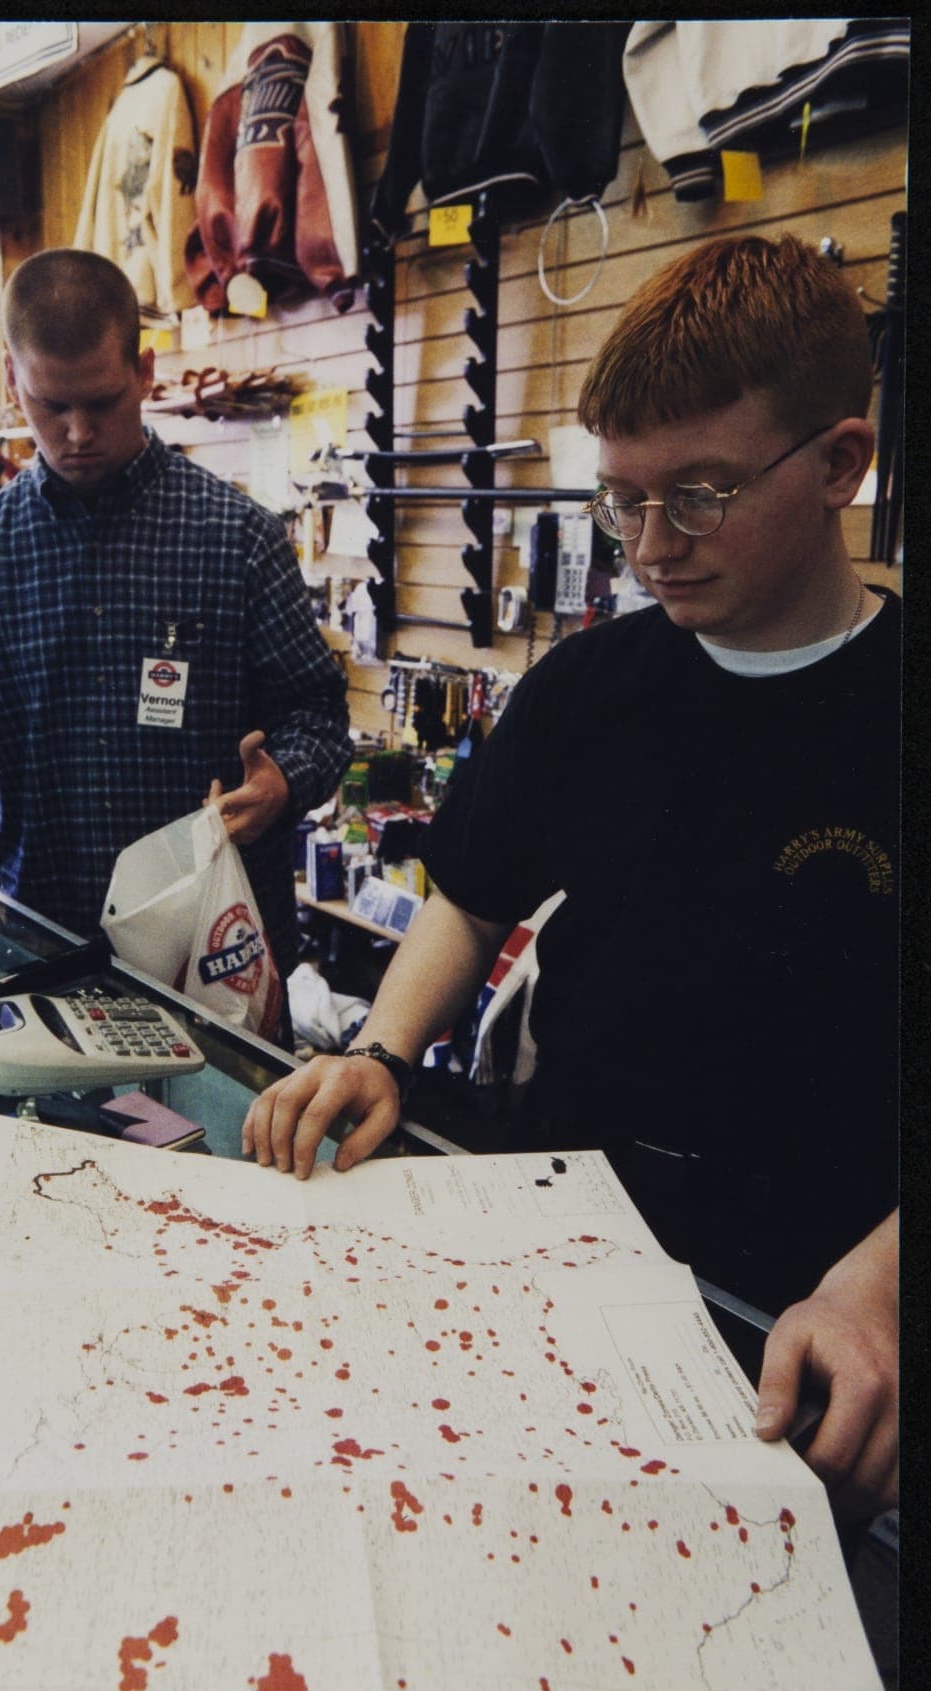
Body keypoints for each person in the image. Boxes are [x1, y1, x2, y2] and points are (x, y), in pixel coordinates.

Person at [243, 233, 898, 1521]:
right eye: (623, 500)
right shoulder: (590, 684)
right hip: (571, 1220)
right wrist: (382, 1050)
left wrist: (883, 1284)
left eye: (700, 494)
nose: (652, 546)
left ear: (840, 464)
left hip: (812, 1295)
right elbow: (469, 894)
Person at [0, 248, 352, 1011]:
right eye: (52, 405)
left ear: (143, 371)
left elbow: (318, 715)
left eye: (103, 402)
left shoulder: (238, 539)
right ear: (16, 382)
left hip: (219, 957)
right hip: (48, 956)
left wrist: (285, 780)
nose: (78, 432)